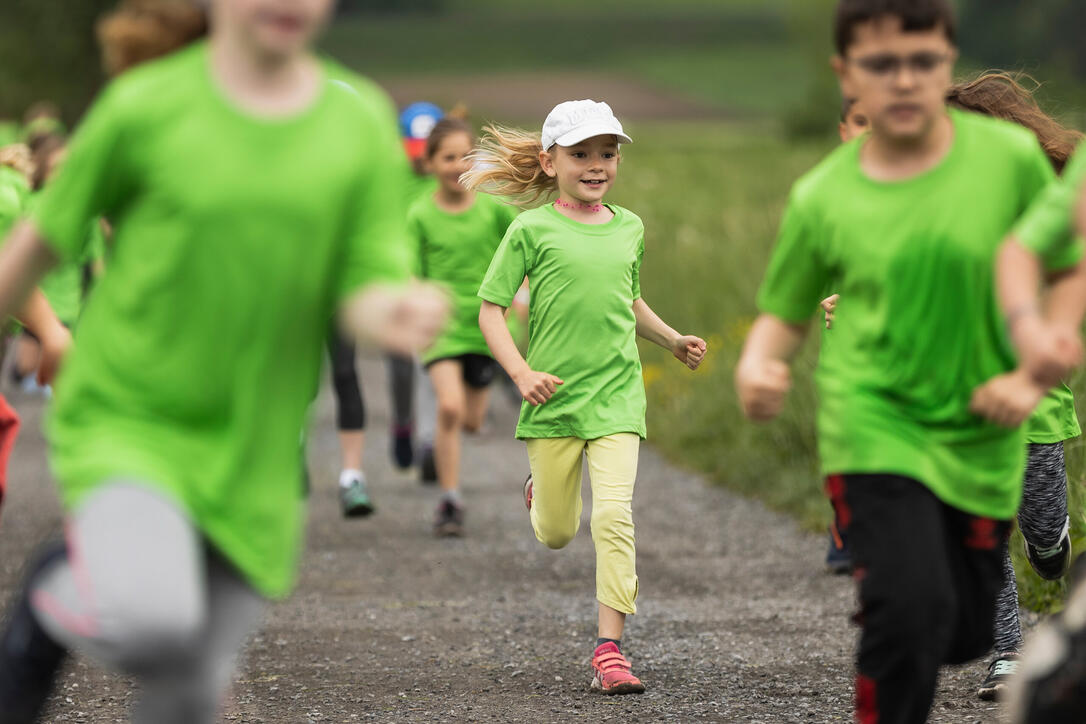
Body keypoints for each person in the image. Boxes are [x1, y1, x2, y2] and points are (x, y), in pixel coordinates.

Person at [0, 1, 445, 722]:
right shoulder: (146, 107)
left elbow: (366, 278)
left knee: (191, 691)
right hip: (132, 416)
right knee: (153, 621)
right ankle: (54, 591)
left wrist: (389, 312)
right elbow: (38, 245)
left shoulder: (358, 121)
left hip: (257, 448)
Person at [735, 1, 1073, 720]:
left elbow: (1067, 262)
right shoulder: (824, 194)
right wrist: (761, 363)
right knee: (903, 611)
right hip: (875, 424)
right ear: (848, 74)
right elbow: (783, 311)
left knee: (958, 626)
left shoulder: (1008, 161)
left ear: (947, 64)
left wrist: (1043, 356)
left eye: (923, 62)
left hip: (983, 431)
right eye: (882, 64)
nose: (905, 80)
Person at [468, 100, 706, 695]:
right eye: (580, 154)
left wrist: (672, 339)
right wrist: (521, 375)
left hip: (618, 397)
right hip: (552, 402)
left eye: (607, 153)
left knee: (614, 515)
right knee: (555, 531)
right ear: (549, 163)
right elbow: (490, 311)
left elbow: (629, 301)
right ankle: (539, 493)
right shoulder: (530, 230)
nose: (596, 165)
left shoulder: (630, 226)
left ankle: (610, 649)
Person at [411, 115, 519, 536]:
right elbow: (408, 270)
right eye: (447, 157)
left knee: (472, 420)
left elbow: (525, 249)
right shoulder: (420, 214)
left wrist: (524, 293)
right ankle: (450, 500)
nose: (456, 165)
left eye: (464, 157)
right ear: (430, 164)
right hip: (441, 328)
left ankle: (449, 443)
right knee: (450, 407)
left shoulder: (493, 209)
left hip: (485, 327)